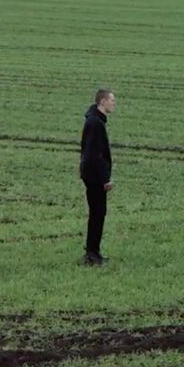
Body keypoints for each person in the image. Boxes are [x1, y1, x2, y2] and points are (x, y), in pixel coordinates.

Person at [79, 88, 116, 265]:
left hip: (90, 173)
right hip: (94, 175)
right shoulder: (95, 124)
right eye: (111, 100)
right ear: (102, 102)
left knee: (97, 213)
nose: (113, 104)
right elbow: (95, 154)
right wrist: (105, 178)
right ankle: (92, 254)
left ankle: (93, 252)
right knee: (98, 213)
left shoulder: (94, 121)